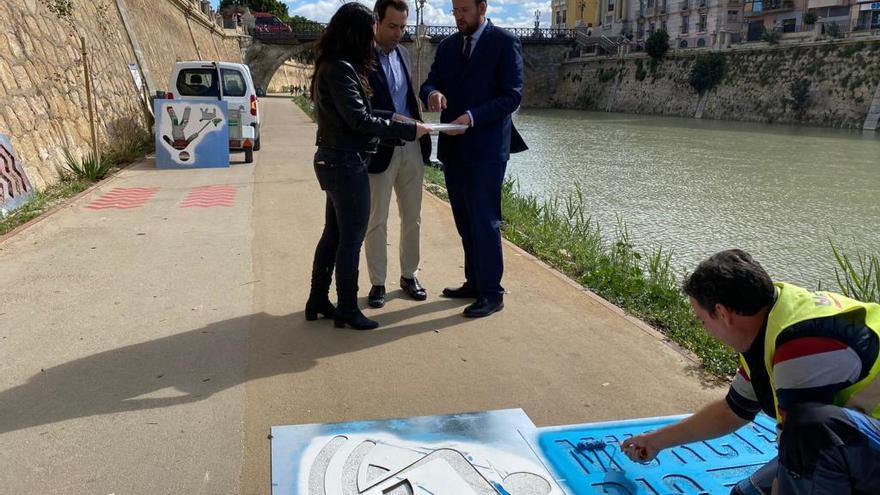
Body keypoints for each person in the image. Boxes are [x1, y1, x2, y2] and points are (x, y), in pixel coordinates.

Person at [620, 249, 880, 494]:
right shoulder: (767, 324)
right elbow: (731, 411)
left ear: (721, 313)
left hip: (855, 443)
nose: (704, 329)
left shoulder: (801, 345)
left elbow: (799, 454)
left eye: (702, 320)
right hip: (859, 443)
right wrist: (655, 441)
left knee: (807, 433)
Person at [305, 2, 429, 330]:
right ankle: (346, 307)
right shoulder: (342, 68)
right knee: (351, 238)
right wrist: (404, 127)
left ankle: (318, 298)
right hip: (346, 163)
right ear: (356, 32)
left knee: (333, 234)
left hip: (335, 160)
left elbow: (362, 115)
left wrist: (401, 120)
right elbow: (360, 119)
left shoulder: (333, 65)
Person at [419, 0, 527, 318]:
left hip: (487, 150)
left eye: (464, 10)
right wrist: (432, 94)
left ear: (482, 7)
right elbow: (429, 82)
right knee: (465, 220)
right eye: (454, 10)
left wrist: (472, 116)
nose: (458, 16)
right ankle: (474, 282)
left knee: (484, 220)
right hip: (453, 150)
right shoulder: (449, 45)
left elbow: (512, 95)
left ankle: (493, 293)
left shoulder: (505, 43)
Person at [364, 0, 433, 309]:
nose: (398, 33)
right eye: (392, 26)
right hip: (379, 146)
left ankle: (409, 276)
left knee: (413, 217)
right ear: (376, 21)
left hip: (411, 147)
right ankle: (378, 282)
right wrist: (397, 122)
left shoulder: (405, 54)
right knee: (376, 219)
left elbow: (407, 98)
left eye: (403, 27)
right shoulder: (360, 56)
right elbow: (364, 110)